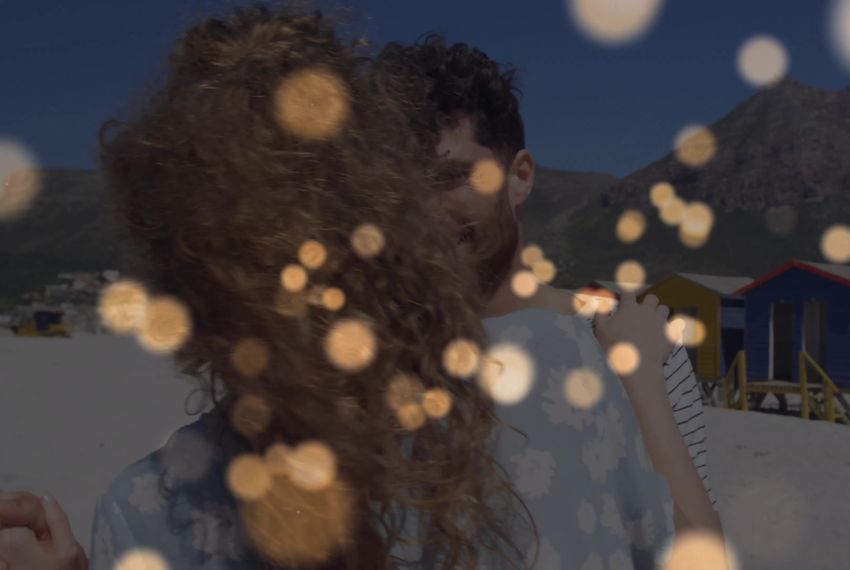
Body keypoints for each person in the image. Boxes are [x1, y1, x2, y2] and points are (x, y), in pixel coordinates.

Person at [0, 4, 719, 570]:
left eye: (452, 179)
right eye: (415, 190)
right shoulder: (559, 373)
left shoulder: (152, 508)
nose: (436, 212)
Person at [374, 35, 722, 533]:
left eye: (450, 177)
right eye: (402, 189)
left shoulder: (628, 337)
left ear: (519, 177)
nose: (426, 211)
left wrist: (639, 374)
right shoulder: (388, 354)